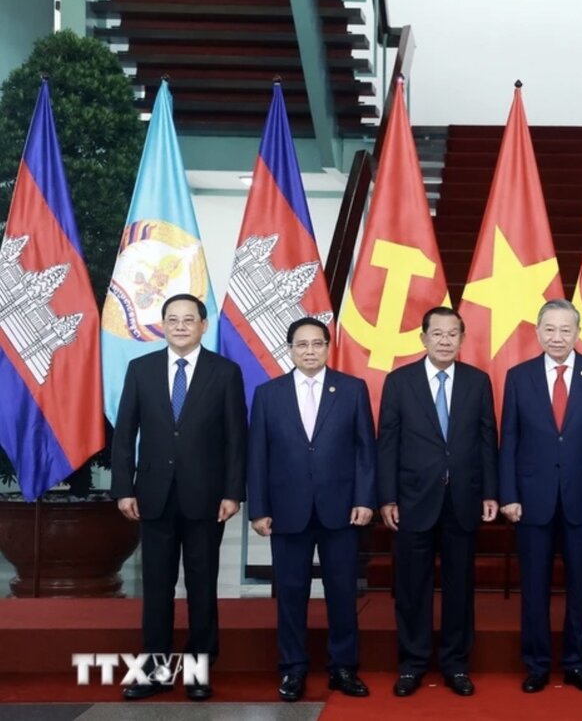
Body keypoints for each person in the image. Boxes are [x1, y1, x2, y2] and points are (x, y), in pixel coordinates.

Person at [111, 293, 247, 701]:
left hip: (207, 497)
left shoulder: (225, 372)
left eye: (190, 319)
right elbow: (124, 435)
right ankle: (153, 671)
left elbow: (236, 439)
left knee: (202, 586)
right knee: (156, 587)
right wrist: (123, 488)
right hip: (152, 495)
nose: (182, 326)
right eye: (173, 319)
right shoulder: (141, 370)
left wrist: (232, 492)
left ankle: (198, 672)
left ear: (204, 325)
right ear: (163, 325)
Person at [247, 317, 376, 702]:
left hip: (341, 510)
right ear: (290, 350)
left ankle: (343, 668)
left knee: (341, 592)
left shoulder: (352, 390)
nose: (309, 351)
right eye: (301, 345)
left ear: (327, 347)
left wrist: (365, 499)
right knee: (290, 593)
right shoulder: (269, 394)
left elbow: (365, 451)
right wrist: (258, 509)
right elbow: (258, 457)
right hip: (287, 510)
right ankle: (293, 669)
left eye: (316, 344)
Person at [377, 306, 498, 698]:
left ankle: (456, 664)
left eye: (453, 334)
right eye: (438, 334)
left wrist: (490, 492)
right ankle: (412, 664)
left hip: (462, 499)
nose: (445, 341)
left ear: (462, 339)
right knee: (413, 587)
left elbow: (486, 441)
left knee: (460, 586)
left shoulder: (478, 382)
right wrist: (387, 497)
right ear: (423, 338)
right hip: (413, 500)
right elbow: (388, 443)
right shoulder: (399, 382)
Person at [499, 298, 582, 694]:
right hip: (531, 499)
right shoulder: (519, 376)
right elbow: (509, 440)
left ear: (579, 333)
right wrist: (509, 494)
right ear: (537, 332)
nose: (557, 337)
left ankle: (576, 664)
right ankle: (535, 664)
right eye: (550, 329)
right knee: (534, 588)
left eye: (566, 330)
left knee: (581, 587)